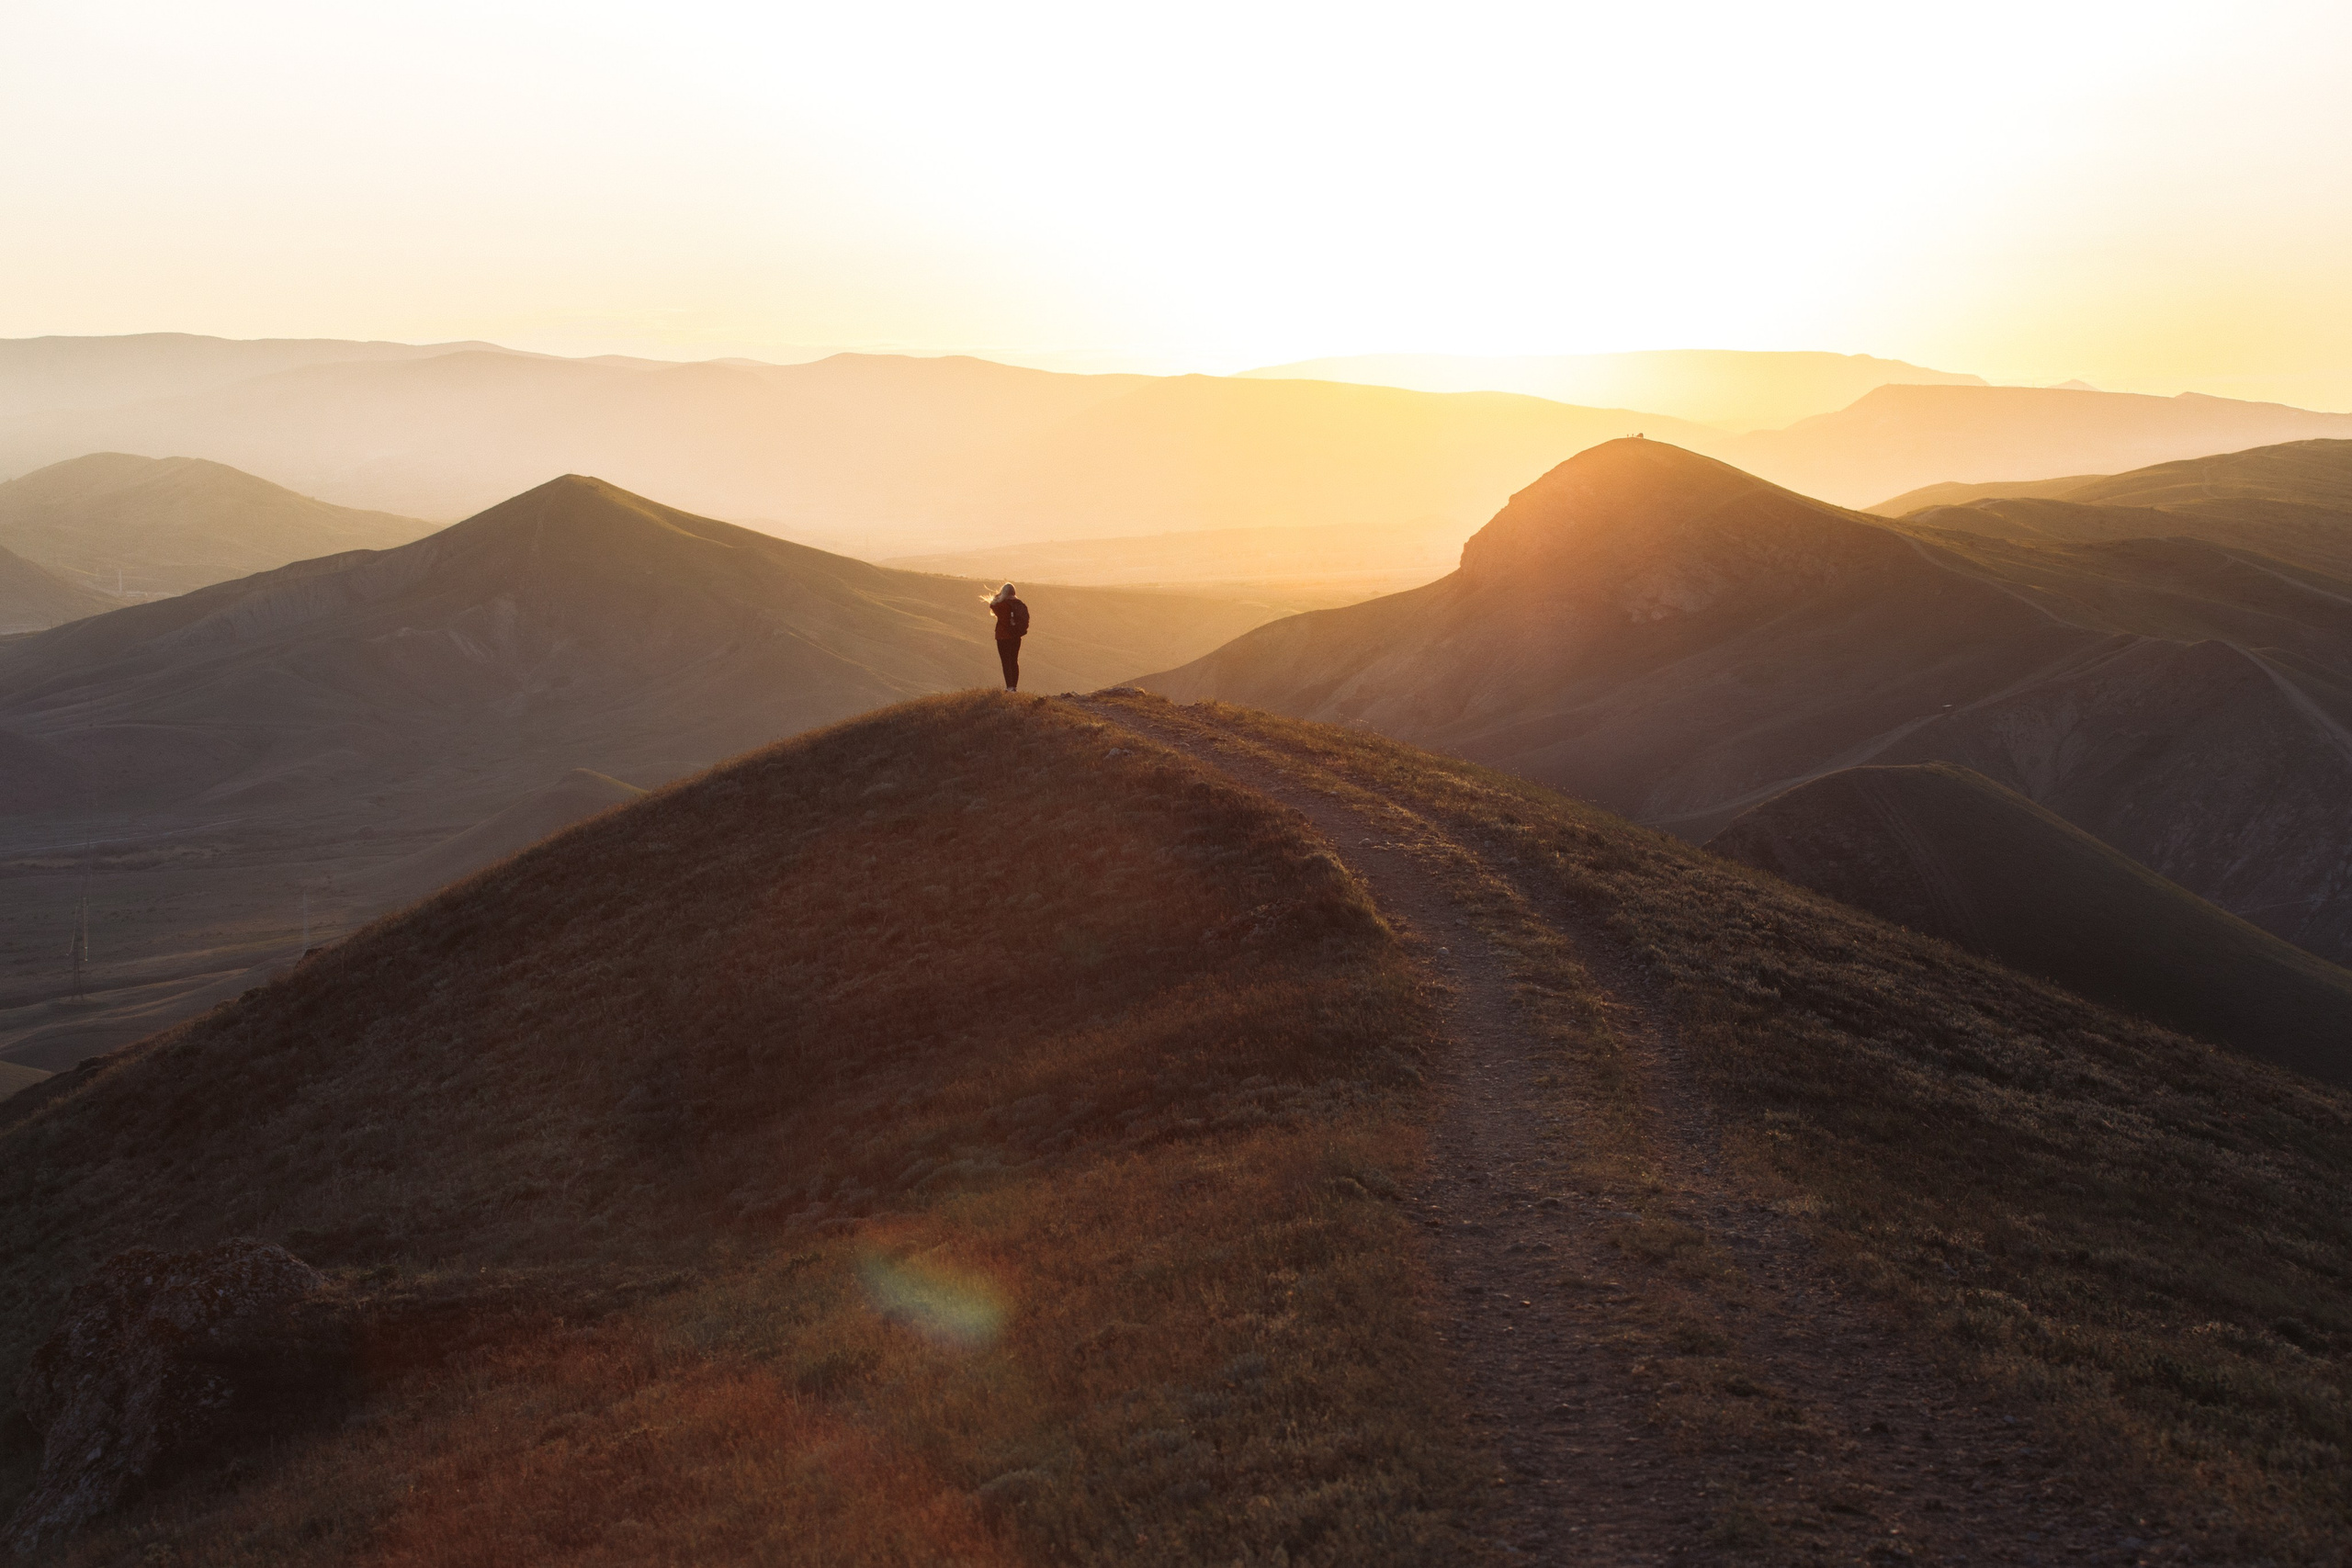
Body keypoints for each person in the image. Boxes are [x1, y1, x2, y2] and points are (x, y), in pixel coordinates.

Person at [984, 581, 1029, 690]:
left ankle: (1009, 687)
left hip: (1003, 637)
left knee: (1006, 662)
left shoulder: (1002, 605)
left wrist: (1000, 595)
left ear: (1004, 593)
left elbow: (992, 604)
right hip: (1016, 636)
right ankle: (1014, 687)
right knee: (1014, 661)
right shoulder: (1020, 604)